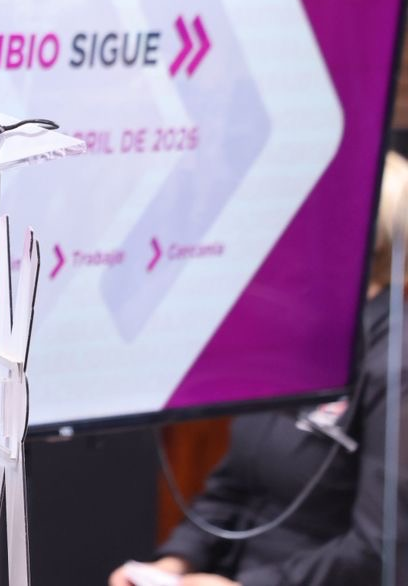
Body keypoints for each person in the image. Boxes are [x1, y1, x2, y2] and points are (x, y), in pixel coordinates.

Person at [111, 150, 408, 586]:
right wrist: (174, 564)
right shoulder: (297, 337)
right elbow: (234, 484)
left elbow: (379, 549)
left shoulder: (394, 366)